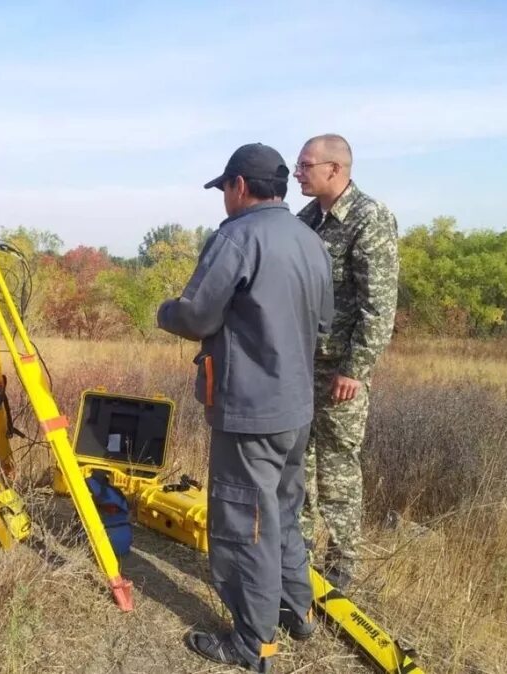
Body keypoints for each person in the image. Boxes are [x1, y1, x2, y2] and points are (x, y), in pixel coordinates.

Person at [157, 143, 333, 673]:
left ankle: (252, 643)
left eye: (225, 190)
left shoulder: (237, 236)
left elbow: (196, 316)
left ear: (238, 186)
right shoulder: (310, 238)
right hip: (297, 409)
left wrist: (165, 311)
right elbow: (324, 323)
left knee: (244, 523)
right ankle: (297, 610)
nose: (224, 200)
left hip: (250, 409)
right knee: (283, 511)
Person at [293, 134, 399, 590]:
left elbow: (379, 304)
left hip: (340, 373)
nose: (297, 173)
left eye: (305, 165)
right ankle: (296, 555)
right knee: (296, 460)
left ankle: (341, 565)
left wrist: (355, 369)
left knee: (336, 467)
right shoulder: (305, 220)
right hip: (300, 366)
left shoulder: (368, 219)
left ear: (335, 169)